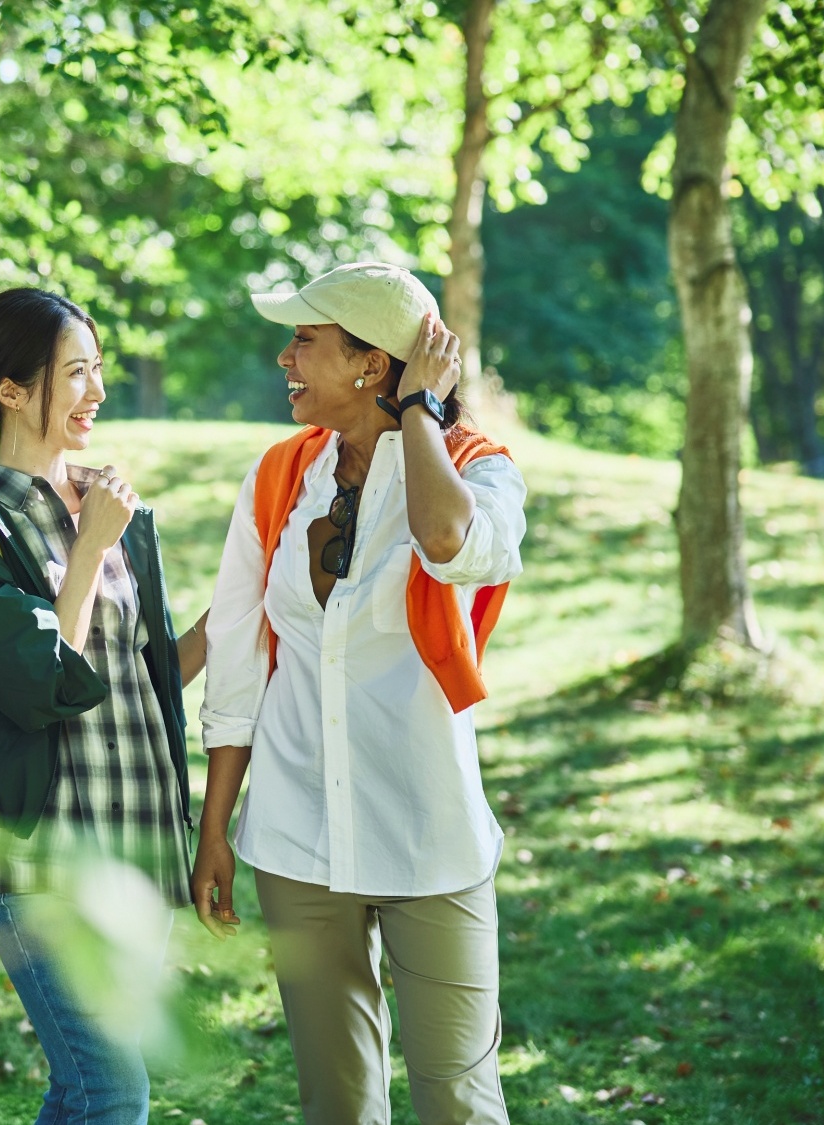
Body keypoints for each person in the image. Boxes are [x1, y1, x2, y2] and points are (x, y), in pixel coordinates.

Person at [190, 263, 528, 1125]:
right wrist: (215, 826)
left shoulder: (480, 472)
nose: (285, 358)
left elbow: (447, 541)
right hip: (296, 836)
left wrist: (419, 411)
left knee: (460, 1101)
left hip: (429, 835)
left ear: (371, 363)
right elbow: (236, 658)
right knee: (336, 1104)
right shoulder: (278, 476)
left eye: (305, 340)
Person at [0, 287, 207, 1125]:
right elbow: (43, 679)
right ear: (10, 389)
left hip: (140, 845)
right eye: (76, 372)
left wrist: (245, 612)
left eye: (98, 368)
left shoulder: (115, 510)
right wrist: (89, 548)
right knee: (113, 1091)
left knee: (84, 1087)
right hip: (42, 860)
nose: (98, 390)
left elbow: (145, 677)